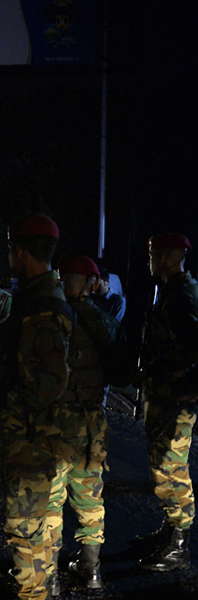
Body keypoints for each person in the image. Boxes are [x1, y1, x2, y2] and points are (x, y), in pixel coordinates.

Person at [0, 214, 73, 600]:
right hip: (41, 433)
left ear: (20, 250)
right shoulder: (34, 298)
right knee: (44, 523)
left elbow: (49, 382)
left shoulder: (43, 306)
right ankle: (43, 588)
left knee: (26, 527)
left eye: (9, 248)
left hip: (36, 438)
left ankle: (34, 594)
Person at [46, 256, 130, 593]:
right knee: (90, 498)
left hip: (54, 424)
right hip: (92, 424)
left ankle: (48, 575)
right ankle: (91, 569)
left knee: (50, 500)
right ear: (92, 284)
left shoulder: (50, 320)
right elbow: (122, 374)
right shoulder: (108, 324)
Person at [136, 233, 198, 572]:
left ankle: (179, 547)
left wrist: (190, 386)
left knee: (170, 469)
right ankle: (171, 532)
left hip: (174, 398)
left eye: (152, 256)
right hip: (166, 394)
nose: (149, 262)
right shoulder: (175, 292)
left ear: (165, 258)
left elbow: (192, 347)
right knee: (164, 466)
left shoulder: (180, 297)